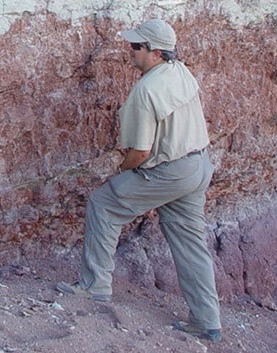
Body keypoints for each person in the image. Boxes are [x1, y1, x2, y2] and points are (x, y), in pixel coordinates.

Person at [55, 18, 222, 342]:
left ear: (155, 52)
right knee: (191, 243)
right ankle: (206, 320)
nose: (130, 51)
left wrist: (122, 172)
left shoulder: (146, 90)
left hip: (170, 171)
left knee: (103, 203)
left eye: (136, 46)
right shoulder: (180, 71)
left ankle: (94, 286)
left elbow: (141, 152)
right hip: (199, 165)